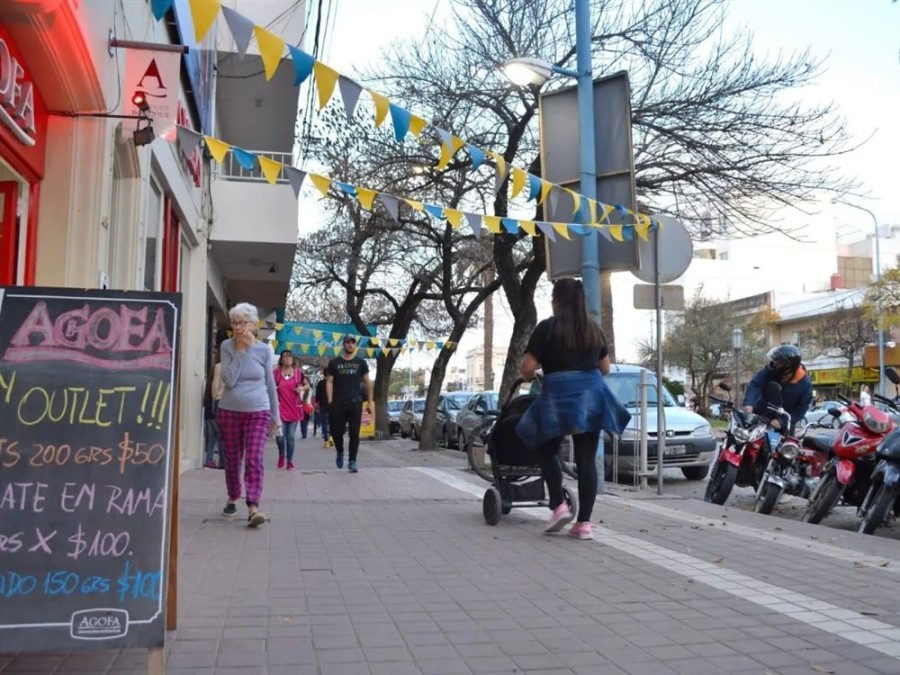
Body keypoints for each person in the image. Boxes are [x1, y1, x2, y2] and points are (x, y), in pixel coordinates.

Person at [516, 279, 631, 541]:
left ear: (557, 301)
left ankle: (558, 505)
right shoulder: (593, 330)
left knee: (545, 448)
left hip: (558, 395)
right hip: (590, 397)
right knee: (586, 460)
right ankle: (584, 525)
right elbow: (605, 369)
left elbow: (527, 369)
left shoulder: (546, 328)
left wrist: (534, 370)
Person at [217, 303, 280, 527]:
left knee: (254, 459)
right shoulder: (227, 346)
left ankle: (253, 507)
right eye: (234, 323)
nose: (238, 327)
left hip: (258, 412)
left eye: (243, 322)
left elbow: (270, 385)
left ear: (253, 325)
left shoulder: (264, 350)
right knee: (233, 460)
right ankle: (234, 496)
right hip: (230, 411)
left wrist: (276, 415)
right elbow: (229, 380)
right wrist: (241, 351)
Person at [326, 335, 373, 473]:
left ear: (355, 345)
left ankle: (353, 460)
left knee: (354, 433)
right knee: (336, 432)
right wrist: (329, 401)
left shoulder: (361, 363)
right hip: (338, 403)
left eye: (353, 342)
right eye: (348, 342)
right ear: (343, 345)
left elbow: (367, 382)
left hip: (355, 402)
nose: (350, 345)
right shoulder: (334, 363)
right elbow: (329, 381)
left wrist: (369, 402)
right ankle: (340, 451)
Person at [742, 345, 812, 433]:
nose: (775, 363)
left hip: (783, 424)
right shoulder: (771, 370)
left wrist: (782, 422)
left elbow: (802, 408)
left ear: (787, 367)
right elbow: (756, 384)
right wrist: (749, 403)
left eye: (778, 362)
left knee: (787, 445)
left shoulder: (805, 383)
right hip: (761, 415)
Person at [273, 349, 305, 471]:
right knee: (280, 437)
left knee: (290, 437)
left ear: (292, 359)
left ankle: (290, 461)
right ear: (281, 359)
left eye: (289, 356)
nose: (287, 358)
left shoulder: (298, 373)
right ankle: (281, 454)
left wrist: (301, 388)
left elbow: (307, 385)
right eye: (284, 356)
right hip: (280, 410)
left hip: (294, 410)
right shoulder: (275, 373)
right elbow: (269, 386)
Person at [203, 348, 225, 469]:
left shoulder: (216, 367)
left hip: (213, 404)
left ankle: (209, 459)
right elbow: (215, 386)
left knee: (213, 436)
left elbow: (213, 386)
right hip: (220, 402)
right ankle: (222, 461)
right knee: (221, 435)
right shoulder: (221, 366)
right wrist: (214, 399)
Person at [314, 366, 332, 447]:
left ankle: (326, 441)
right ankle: (331, 437)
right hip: (332, 405)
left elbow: (317, 396)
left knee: (324, 423)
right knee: (333, 422)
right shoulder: (334, 383)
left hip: (323, 405)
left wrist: (317, 405)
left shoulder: (320, 383)